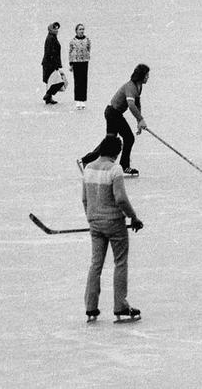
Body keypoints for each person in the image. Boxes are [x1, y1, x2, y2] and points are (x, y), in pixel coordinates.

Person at [82, 134, 143, 323]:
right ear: (116, 152)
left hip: (95, 223)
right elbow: (121, 199)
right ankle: (120, 305)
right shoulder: (114, 170)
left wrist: (91, 218)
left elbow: (85, 199)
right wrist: (133, 218)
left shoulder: (89, 169)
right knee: (120, 262)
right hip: (115, 223)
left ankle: (91, 307)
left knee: (96, 264)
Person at [80, 65, 150, 176]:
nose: (148, 77)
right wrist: (140, 119)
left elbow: (137, 103)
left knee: (113, 140)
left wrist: (139, 121)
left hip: (115, 114)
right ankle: (122, 166)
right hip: (113, 113)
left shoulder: (139, 86)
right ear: (141, 76)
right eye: (146, 75)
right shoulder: (130, 87)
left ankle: (87, 160)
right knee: (123, 139)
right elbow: (131, 105)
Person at [69, 23, 91, 109]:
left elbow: (89, 49)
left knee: (84, 80)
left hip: (84, 61)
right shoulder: (73, 41)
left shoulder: (87, 40)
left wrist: (86, 56)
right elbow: (70, 52)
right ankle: (78, 100)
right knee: (77, 81)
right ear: (76, 31)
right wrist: (71, 64)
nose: (82, 31)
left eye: (83, 29)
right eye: (80, 29)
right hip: (76, 62)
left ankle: (83, 100)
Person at [42, 21, 65, 105]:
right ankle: (48, 95)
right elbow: (50, 53)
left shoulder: (52, 37)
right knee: (58, 81)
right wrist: (55, 65)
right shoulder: (51, 38)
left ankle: (48, 98)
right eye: (55, 29)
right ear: (51, 30)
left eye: (57, 29)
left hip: (49, 63)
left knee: (50, 81)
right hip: (50, 64)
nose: (57, 30)